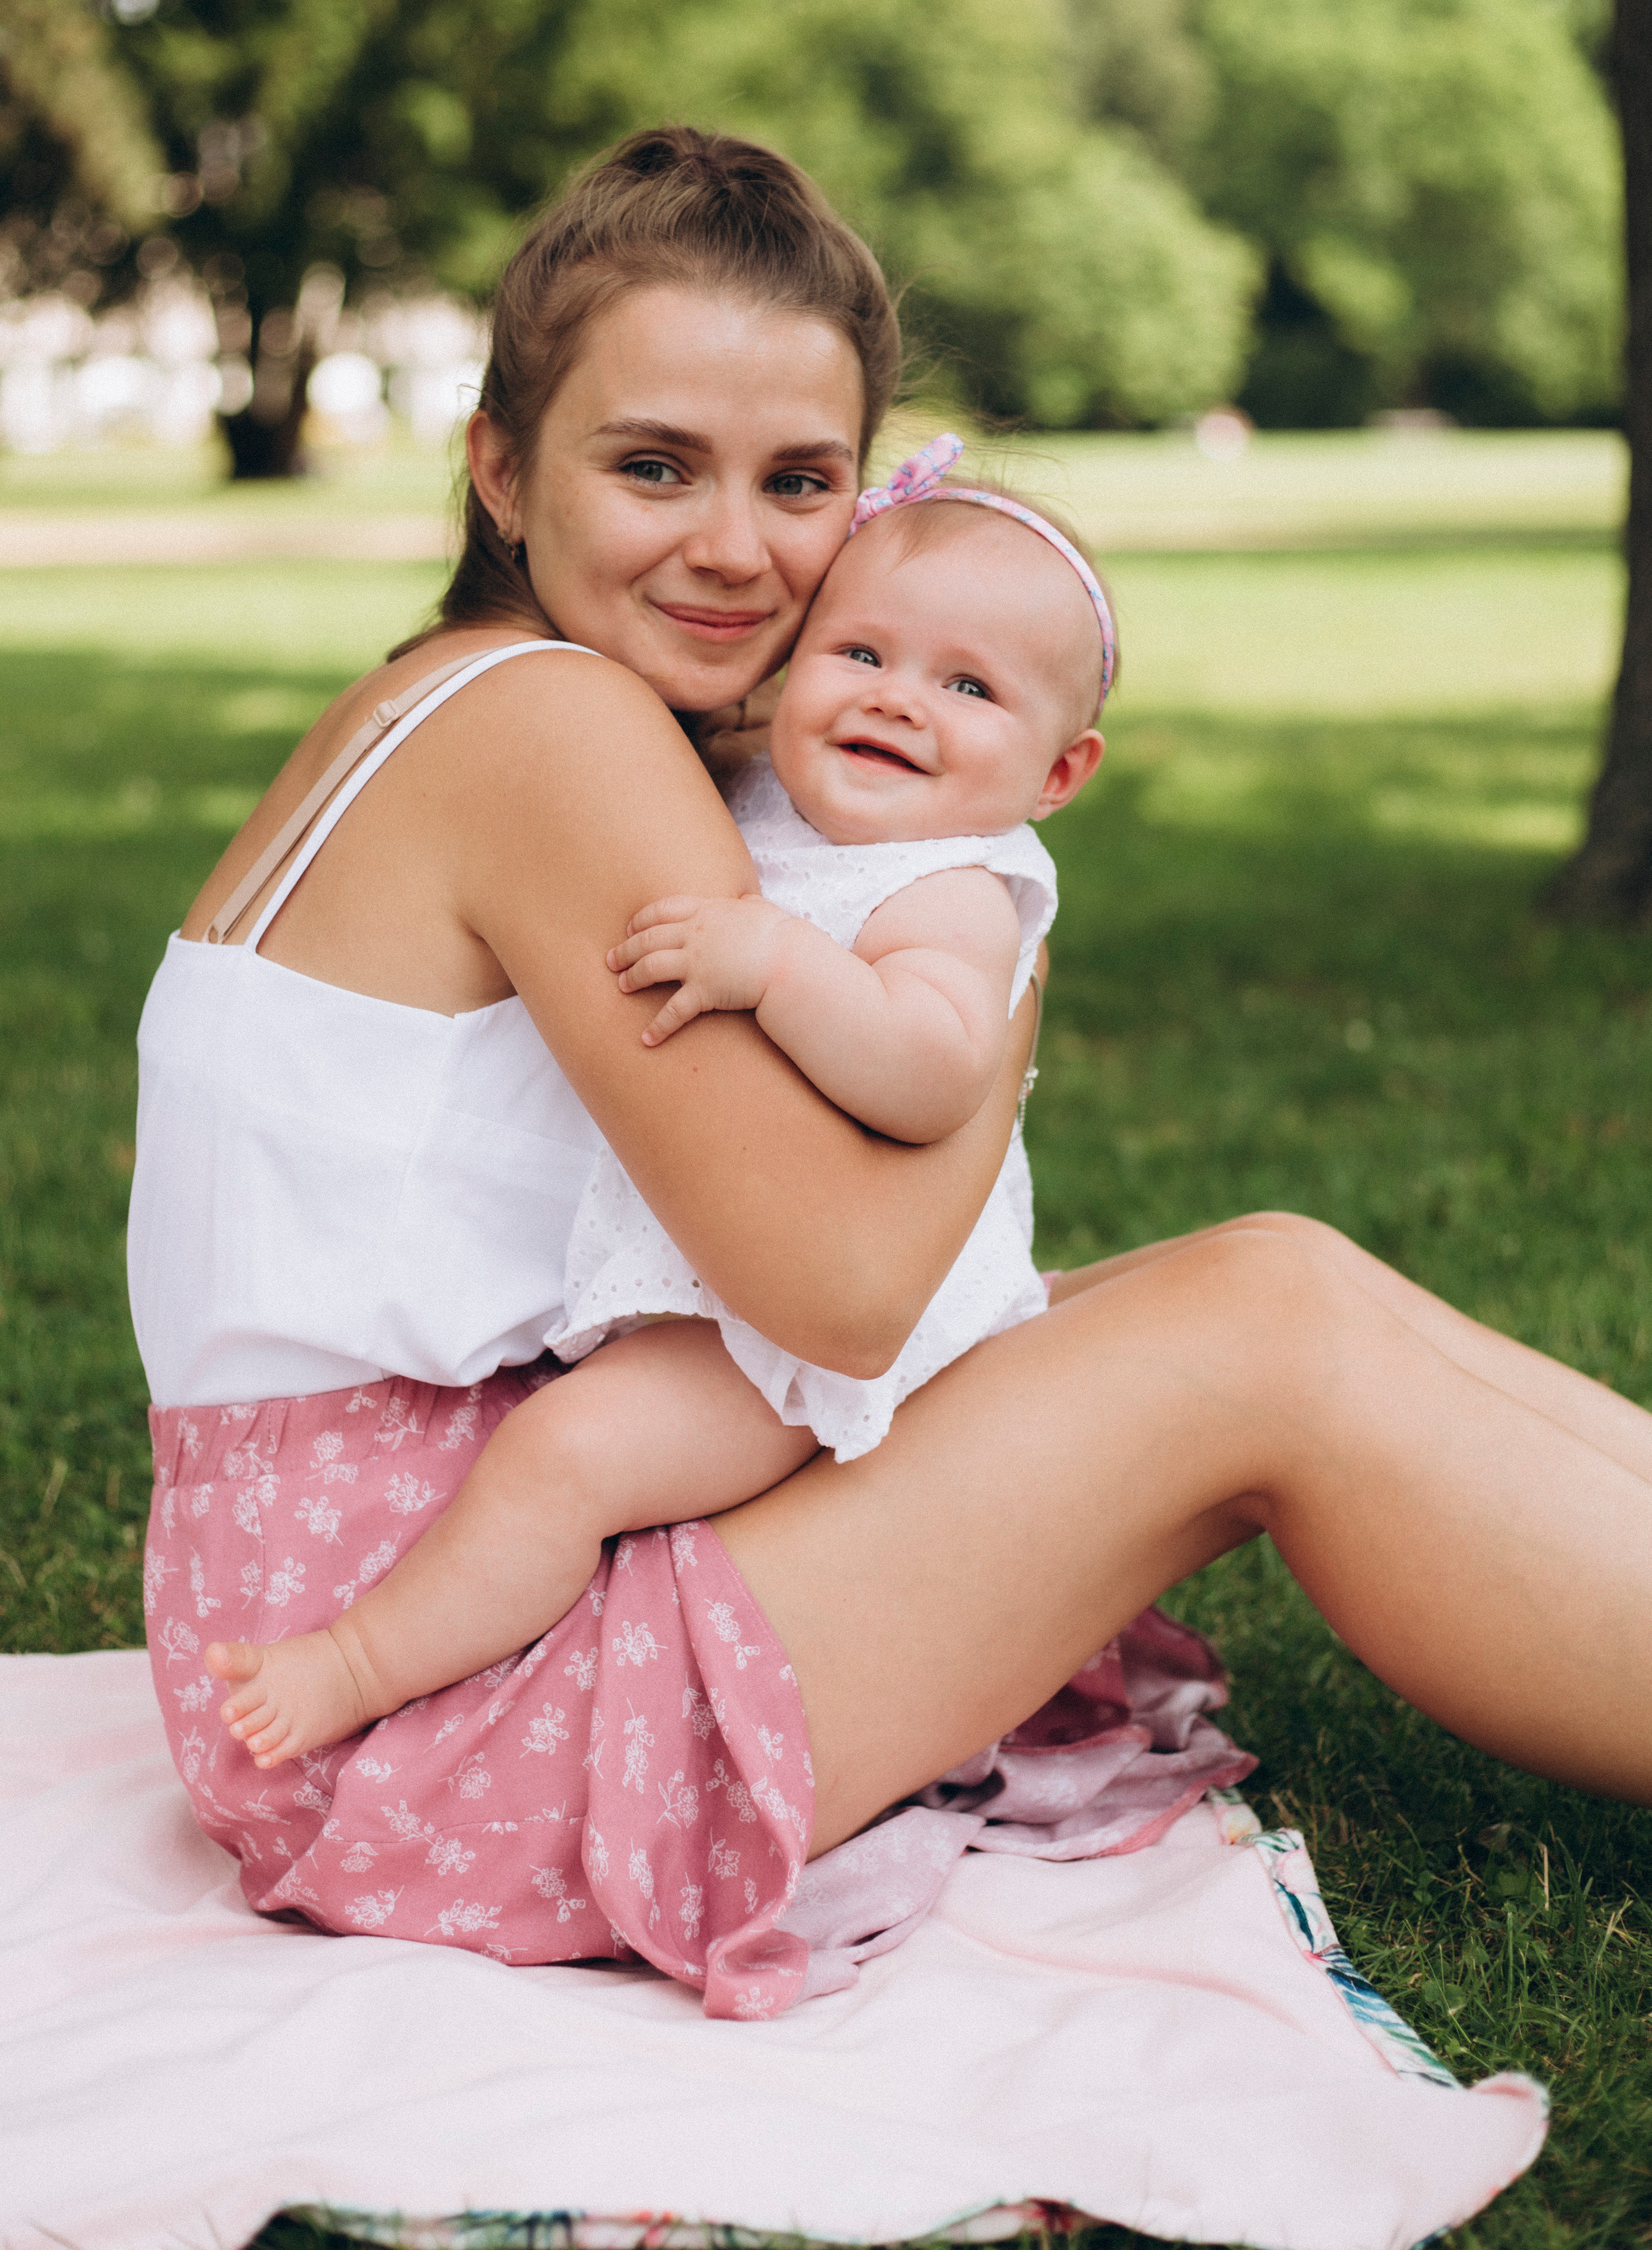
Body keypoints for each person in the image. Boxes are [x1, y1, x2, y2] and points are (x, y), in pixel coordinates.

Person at [134, 125, 1652, 2026]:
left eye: (800, 483)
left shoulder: (451, 692)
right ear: (504, 465)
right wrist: (991, 937)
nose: (736, 546)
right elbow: (847, 1299)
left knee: (1276, 1270)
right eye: (653, 465)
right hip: (434, 1703)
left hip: (411, 1587)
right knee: (1268, 1337)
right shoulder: (557, 731)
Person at [201, 438, 1114, 1767]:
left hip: (791, 1359)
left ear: (1055, 777)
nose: (897, 701)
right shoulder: (780, 798)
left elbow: (933, 1073)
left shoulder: (955, 891)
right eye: (859, 654)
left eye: (968, 686)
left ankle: (356, 1664)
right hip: (728, 1293)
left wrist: (781, 965)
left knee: (563, 1462)